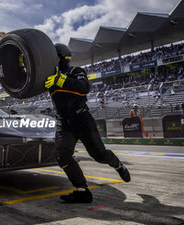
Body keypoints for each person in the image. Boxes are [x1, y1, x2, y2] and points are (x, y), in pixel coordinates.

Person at [45, 43, 130, 203]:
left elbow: (84, 87)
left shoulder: (75, 71)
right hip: (64, 122)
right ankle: (82, 190)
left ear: (60, 57)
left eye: (53, 57)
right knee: (62, 155)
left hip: (82, 118)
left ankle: (118, 165)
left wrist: (62, 81)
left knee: (99, 155)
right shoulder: (47, 76)